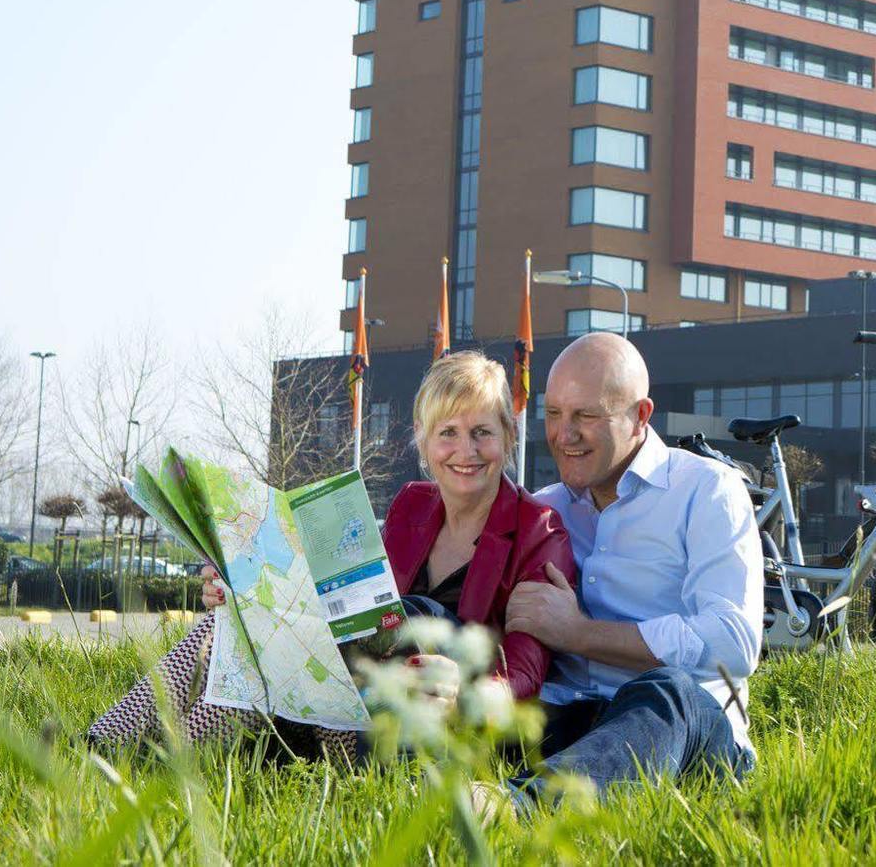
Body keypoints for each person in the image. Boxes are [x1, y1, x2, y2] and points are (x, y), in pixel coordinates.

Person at [86, 350, 574, 753]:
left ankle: (162, 760)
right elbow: (350, 599)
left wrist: (466, 689)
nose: (465, 451)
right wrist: (243, 582)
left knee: (406, 618)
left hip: (414, 720)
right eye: (447, 432)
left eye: (482, 433)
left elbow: (526, 669)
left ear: (508, 438)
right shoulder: (411, 505)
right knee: (243, 618)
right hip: (341, 694)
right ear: (424, 443)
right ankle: (111, 743)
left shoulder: (539, 530)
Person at [500, 331, 763, 805]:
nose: (564, 435)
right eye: (554, 414)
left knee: (670, 691)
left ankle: (516, 806)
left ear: (641, 416)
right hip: (568, 722)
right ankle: (343, 738)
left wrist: (579, 634)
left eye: (586, 415)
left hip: (683, 730)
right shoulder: (543, 511)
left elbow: (733, 644)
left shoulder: (706, 490)